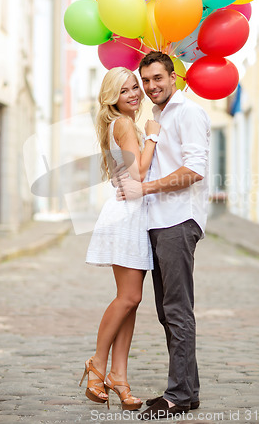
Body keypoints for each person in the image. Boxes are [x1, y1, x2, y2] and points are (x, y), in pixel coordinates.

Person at [116, 51, 211, 420]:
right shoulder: (158, 116)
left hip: (178, 220)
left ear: (174, 78)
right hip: (158, 221)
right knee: (167, 311)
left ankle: (175, 396)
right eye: (147, 81)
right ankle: (189, 392)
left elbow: (195, 170)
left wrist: (148, 187)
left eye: (159, 78)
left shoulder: (188, 112)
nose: (152, 86)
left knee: (176, 309)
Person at [80, 67, 160, 411]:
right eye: (125, 90)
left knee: (131, 300)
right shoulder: (125, 124)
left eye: (135, 88)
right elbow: (139, 173)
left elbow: (128, 175)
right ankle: (98, 364)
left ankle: (119, 377)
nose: (133, 94)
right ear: (113, 96)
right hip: (126, 217)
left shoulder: (123, 124)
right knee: (128, 297)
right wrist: (153, 137)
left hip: (132, 212)